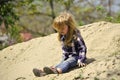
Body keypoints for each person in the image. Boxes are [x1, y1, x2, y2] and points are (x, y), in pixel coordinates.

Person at [33, 12, 87, 77]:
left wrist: (81, 60)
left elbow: (82, 48)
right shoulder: (63, 37)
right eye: (58, 29)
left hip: (76, 57)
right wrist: (63, 60)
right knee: (61, 63)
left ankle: (58, 71)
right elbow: (65, 52)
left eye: (63, 28)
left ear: (69, 26)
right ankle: (44, 72)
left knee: (68, 63)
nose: (60, 30)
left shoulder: (76, 36)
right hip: (68, 57)